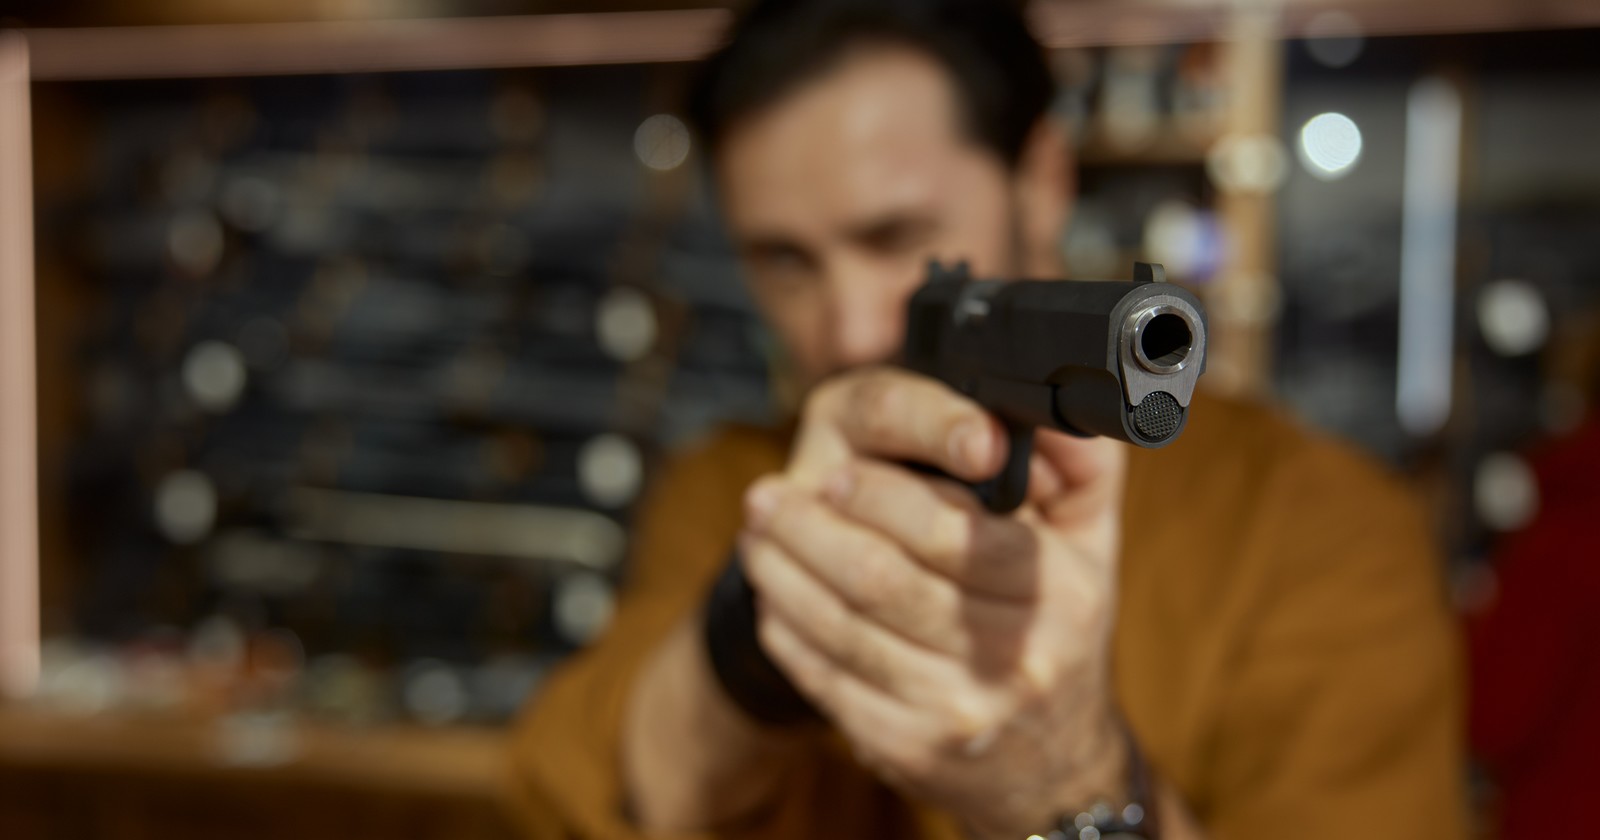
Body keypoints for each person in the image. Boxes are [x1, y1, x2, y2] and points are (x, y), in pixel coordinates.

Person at [509, 1, 1465, 837]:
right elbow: (567, 789)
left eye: (896, 237)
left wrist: (1071, 785)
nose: (849, 329)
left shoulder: (1316, 523)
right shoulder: (727, 483)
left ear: (1041, 179)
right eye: (785, 262)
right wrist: (760, 625)